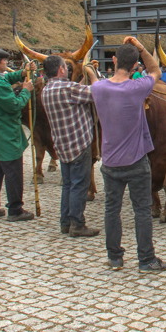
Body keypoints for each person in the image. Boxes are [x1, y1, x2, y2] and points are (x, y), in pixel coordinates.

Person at [90, 39, 166, 273]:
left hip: (110, 161)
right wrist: (142, 48)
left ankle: (115, 257)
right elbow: (156, 70)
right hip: (136, 160)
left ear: (114, 61)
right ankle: (146, 259)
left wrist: (88, 68)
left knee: (111, 210)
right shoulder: (137, 88)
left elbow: (93, 79)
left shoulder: (98, 88)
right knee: (142, 211)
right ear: (135, 66)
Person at [41, 55, 100, 238]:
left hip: (62, 144)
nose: (66, 69)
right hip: (78, 143)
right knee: (79, 185)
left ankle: (65, 223)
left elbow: (78, 92)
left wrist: (82, 76)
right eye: (65, 67)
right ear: (60, 69)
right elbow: (98, 92)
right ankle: (77, 224)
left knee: (67, 185)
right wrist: (91, 73)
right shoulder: (67, 88)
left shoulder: (47, 89)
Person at [0, 48, 36, 220]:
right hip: (6, 132)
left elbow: (6, 79)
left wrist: (23, 72)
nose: (6, 64)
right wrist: (26, 90)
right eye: (4, 61)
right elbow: (14, 105)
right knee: (13, 172)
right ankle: (15, 209)